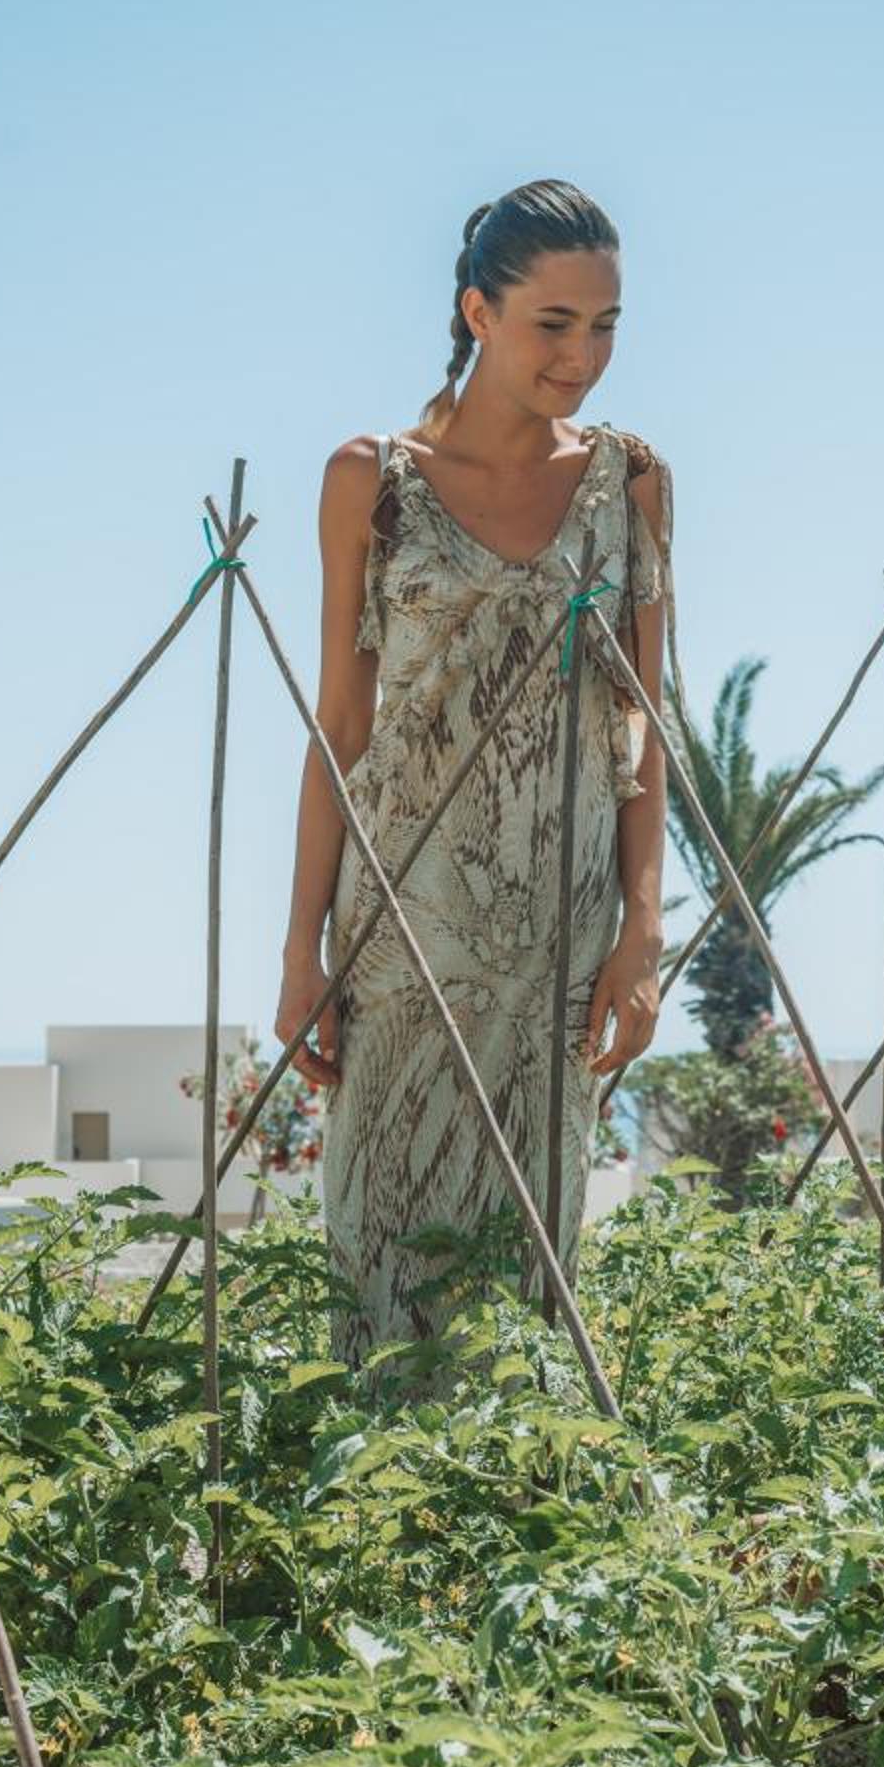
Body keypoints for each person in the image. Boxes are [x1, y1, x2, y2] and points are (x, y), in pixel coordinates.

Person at [274, 180, 673, 1372]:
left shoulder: (631, 482)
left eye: (604, 325)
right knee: (378, 1263)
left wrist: (643, 929)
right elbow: (341, 724)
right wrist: (301, 952)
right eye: (554, 323)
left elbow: (645, 724)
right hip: (401, 930)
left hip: (560, 941)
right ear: (478, 312)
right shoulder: (371, 479)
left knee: (528, 1280)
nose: (581, 357)